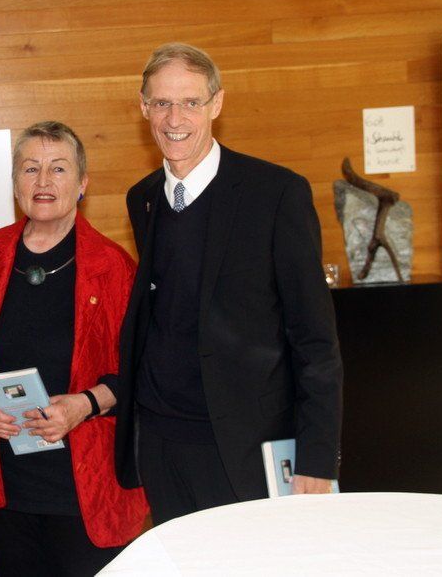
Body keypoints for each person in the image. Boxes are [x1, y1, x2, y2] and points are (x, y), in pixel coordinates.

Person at [114, 43, 343, 524]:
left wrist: (317, 458)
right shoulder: (144, 198)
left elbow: (314, 337)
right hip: (161, 442)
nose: (174, 118)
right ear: (144, 108)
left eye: (190, 102)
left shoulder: (275, 194)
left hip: (244, 446)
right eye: (162, 103)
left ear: (216, 104)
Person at [0, 122, 148, 576]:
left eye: (58, 168)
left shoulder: (114, 268)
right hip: (5, 484)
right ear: (15, 183)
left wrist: (84, 404)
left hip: (87, 484)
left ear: (82, 183)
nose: (43, 181)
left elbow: (140, 370)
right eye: (30, 168)